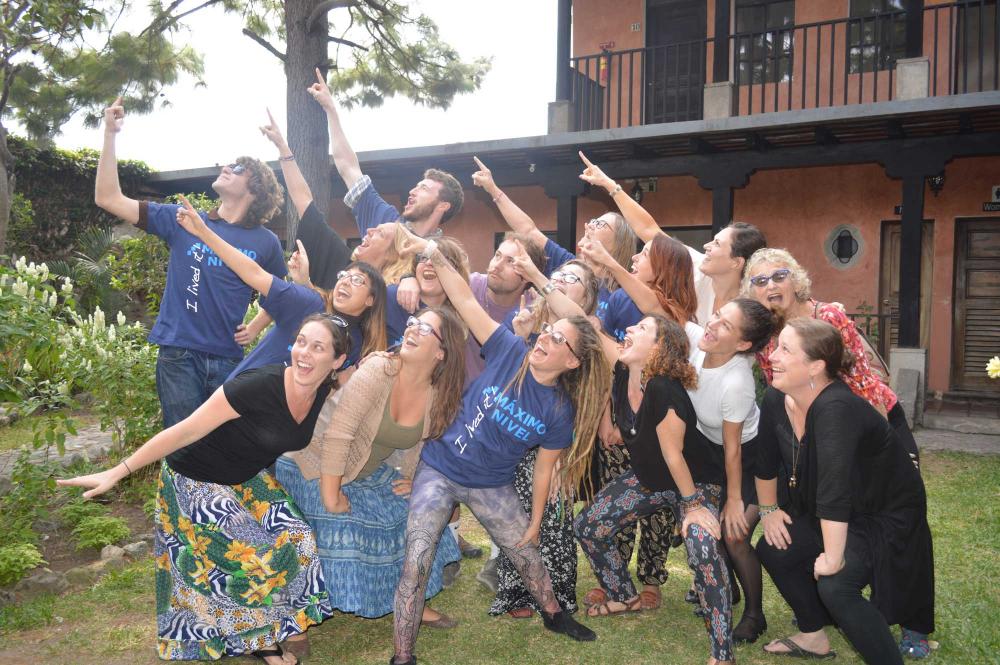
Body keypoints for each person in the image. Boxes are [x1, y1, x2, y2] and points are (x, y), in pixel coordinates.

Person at [58, 314, 351, 665]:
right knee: (253, 556)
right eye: (301, 341)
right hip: (194, 476)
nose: (303, 352)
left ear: (336, 361)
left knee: (298, 537)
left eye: (318, 347)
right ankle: (261, 642)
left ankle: (284, 622)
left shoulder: (322, 388)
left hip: (244, 478)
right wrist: (118, 471)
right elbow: (185, 431)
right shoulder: (257, 386)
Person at [388, 232, 612, 665]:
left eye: (558, 340)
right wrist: (432, 250)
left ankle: (554, 614)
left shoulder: (558, 412)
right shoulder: (509, 350)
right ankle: (402, 655)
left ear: (573, 362)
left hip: (491, 485)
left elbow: (545, 470)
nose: (545, 339)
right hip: (438, 467)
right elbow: (465, 300)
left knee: (527, 553)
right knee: (416, 556)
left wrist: (534, 521)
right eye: (547, 331)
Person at [274, 308, 467, 654]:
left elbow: (419, 448)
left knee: (410, 514)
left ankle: (409, 602)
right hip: (312, 462)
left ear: (442, 351)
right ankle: (296, 618)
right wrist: (330, 494)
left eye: (425, 328)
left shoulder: (439, 393)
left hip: (361, 471)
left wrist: (413, 480)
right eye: (412, 322)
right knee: (340, 524)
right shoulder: (380, 369)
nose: (412, 328)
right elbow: (339, 434)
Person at [94, 97, 286, 427]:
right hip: (178, 354)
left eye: (239, 169)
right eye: (229, 164)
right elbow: (108, 198)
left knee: (223, 445)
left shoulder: (265, 242)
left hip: (229, 359)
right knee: (183, 448)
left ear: (256, 190)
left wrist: (256, 326)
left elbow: (283, 296)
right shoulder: (182, 219)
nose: (227, 167)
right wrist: (110, 134)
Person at [754, 319, 934, 664]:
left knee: (836, 586)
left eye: (785, 349)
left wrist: (834, 558)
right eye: (776, 346)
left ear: (816, 366)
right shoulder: (778, 398)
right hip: (843, 509)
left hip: (883, 515)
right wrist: (768, 510)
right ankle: (813, 635)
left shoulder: (835, 408)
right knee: (775, 549)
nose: (772, 356)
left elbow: (834, 491)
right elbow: (764, 463)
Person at [573, 314, 734, 665]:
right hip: (650, 480)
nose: (629, 329)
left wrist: (693, 507)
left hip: (695, 481)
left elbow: (674, 455)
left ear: (659, 347)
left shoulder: (663, 386)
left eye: (641, 328)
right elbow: (592, 329)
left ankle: (722, 653)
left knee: (701, 545)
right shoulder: (623, 374)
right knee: (587, 525)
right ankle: (623, 594)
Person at [487, 256, 601, 619]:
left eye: (574, 278)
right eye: (559, 275)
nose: (562, 280)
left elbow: (587, 403)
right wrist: (519, 333)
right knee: (518, 511)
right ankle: (515, 589)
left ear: (587, 296)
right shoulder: (528, 321)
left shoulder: (588, 332)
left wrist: (566, 461)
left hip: (561, 441)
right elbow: (499, 381)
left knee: (553, 512)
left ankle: (556, 588)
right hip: (517, 439)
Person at [174, 196, 387, 378]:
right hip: (241, 405)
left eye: (358, 280)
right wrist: (204, 232)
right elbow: (254, 273)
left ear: (371, 299)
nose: (346, 281)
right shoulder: (309, 303)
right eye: (343, 275)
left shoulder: (358, 342)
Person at [742, 247, 921, 465]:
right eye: (760, 281)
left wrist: (882, 445)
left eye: (779, 276)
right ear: (753, 292)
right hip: (822, 427)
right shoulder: (766, 336)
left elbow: (864, 386)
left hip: (871, 415)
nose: (771, 285)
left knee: (900, 487)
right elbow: (783, 394)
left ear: (796, 281)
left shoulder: (827, 317)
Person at [578, 152, 766, 325]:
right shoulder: (696, 268)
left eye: (717, 243)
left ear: (736, 262)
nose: (707, 246)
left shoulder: (753, 303)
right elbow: (648, 229)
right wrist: (609, 185)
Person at [689, 298, 774, 644]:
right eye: (718, 315)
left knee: (735, 534)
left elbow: (735, 447)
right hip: (716, 455)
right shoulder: (698, 344)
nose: (713, 324)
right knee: (714, 530)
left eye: (725, 324)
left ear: (742, 344)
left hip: (753, 458)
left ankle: (755, 615)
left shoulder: (736, 381)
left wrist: (735, 498)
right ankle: (731, 590)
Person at [471, 155, 638, 320]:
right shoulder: (566, 266)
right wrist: (492, 189)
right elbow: (528, 230)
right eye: (594, 220)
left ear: (618, 244)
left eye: (601, 224)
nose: (592, 225)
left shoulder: (625, 295)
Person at [307, 68, 462, 240]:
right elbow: (348, 166)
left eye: (423, 188)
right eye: (417, 186)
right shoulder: (384, 219)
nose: (412, 191)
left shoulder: (443, 258)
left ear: (443, 205)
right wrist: (330, 108)